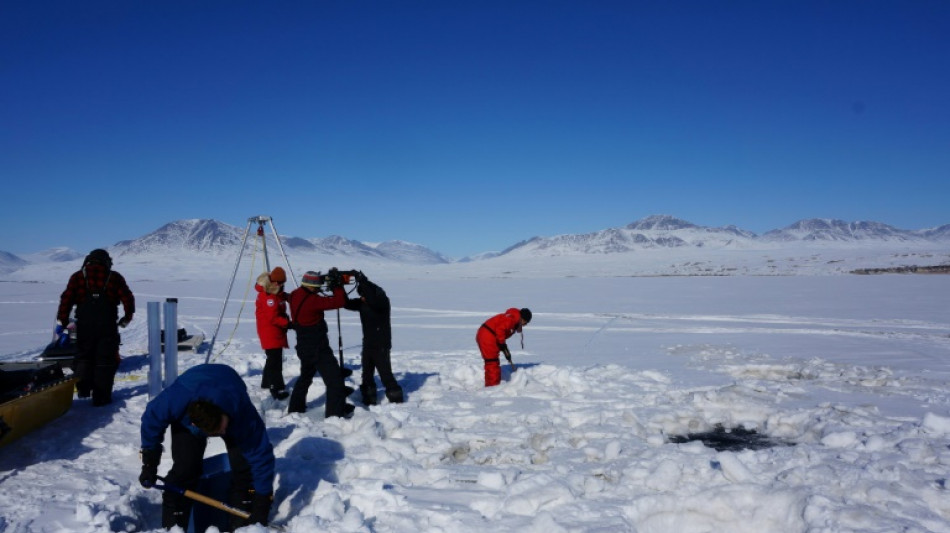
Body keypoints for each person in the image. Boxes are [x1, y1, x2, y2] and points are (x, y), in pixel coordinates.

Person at [138, 364, 275, 530]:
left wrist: (262, 501)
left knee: (244, 468)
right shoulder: (176, 399)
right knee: (186, 468)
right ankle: (175, 519)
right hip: (191, 395)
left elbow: (261, 456)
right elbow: (151, 419)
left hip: (227, 386)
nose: (223, 433)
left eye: (223, 428)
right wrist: (150, 463)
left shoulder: (241, 412)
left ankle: (243, 513)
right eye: (218, 432)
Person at [56, 248, 135, 406]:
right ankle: (102, 397)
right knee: (105, 361)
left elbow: (66, 300)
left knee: (84, 357)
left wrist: (63, 321)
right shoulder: (114, 277)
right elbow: (128, 299)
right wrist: (126, 318)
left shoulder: (77, 277)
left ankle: (83, 391)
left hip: (84, 327)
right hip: (107, 327)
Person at [287, 268, 354, 417]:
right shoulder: (312, 300)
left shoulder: (294, 295)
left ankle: (295, 408)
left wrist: (325, 280)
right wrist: (337, 286)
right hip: (317, 347)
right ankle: (335, 414)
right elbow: (340, 301)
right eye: (317, 287)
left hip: (303, 345)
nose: (319, 290)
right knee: (334, 380)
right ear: (312, 286)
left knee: (305, 377)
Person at [344, 271, 404, 405]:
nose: (362, 298)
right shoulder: (364, 302)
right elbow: (346, 303)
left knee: (385, 374)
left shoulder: (381, 301)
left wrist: (363, 281)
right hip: (368, 343)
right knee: (366, 375)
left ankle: (397, 401)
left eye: (363, 295)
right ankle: (368, 400)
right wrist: (338, 286)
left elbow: (372, 300)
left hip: (381, 344)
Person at [254, 266, 290, 400]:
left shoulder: (273, 291)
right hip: (270, 332)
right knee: (275, 361)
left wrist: (290, 297)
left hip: (271, 331)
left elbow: (280, 297)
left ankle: (266, 383)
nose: (282, 286)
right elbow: (273, 317)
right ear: (275, 282)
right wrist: (288, 323)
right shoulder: (269, 296)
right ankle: (276, 388)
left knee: (272, 358)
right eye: (281, 283)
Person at [476, 307, 532, 387]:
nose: (525, 325)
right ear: (523, 319)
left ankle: (489, 385)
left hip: (487, 335)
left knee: (491, 362)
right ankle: (492, 387)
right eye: (525, 323)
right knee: (492, 363)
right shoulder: (512, 319)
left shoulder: (512, 317)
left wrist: (503, 346)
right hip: (488, 336)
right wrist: (501, 343)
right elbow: (500, 329)